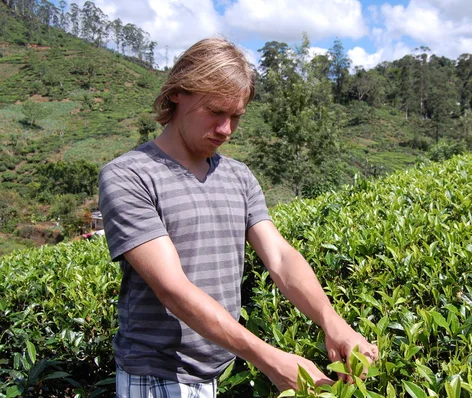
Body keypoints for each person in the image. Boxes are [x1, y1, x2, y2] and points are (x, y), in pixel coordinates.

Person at [98, 37, 378, 397]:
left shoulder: (238, 176)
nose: (226, 130)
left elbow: (279, 256)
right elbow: (173, 289)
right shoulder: (129, 175)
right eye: (215, 112)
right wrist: (270, 358)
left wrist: (333, 322)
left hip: (226, 368)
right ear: (177, 94)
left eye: (236, 117)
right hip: (159, 375)